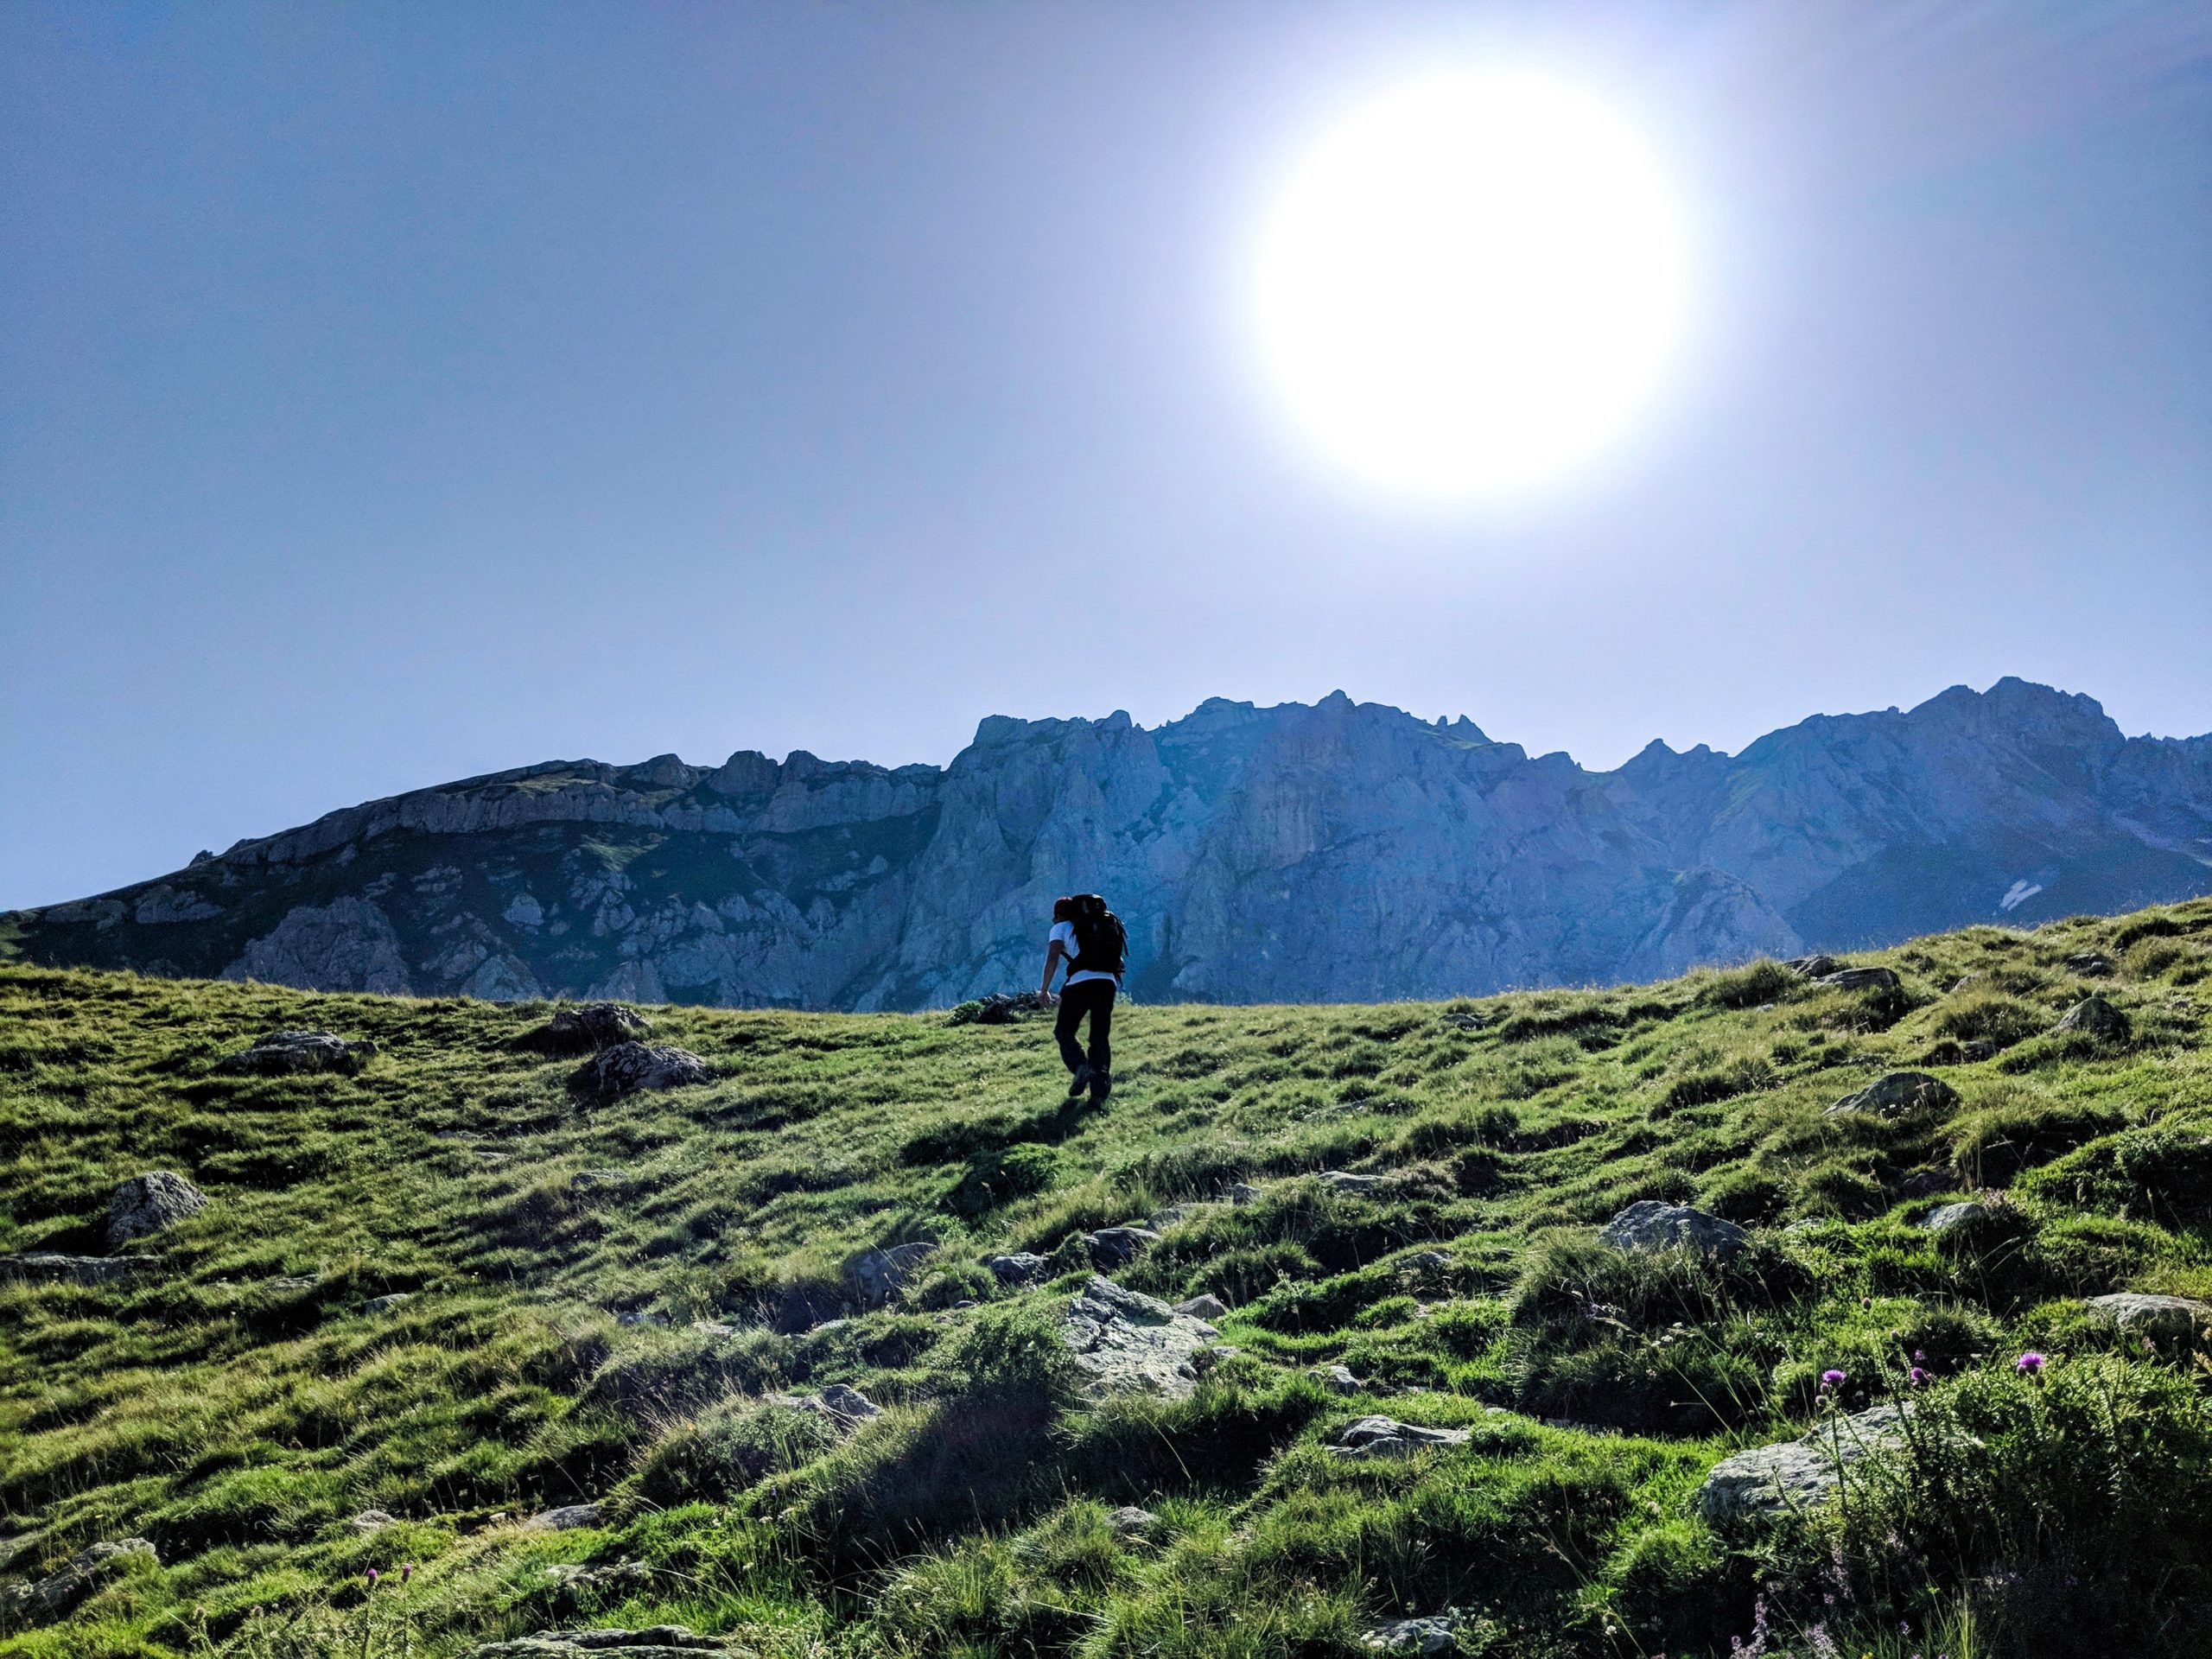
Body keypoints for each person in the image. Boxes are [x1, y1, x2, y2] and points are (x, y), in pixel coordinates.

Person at [1040, 893, 1125, 1101]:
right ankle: (1100, 1087)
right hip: (1107, 984)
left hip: (1080, 983)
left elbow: (1053, 957)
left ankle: (1080, 1067)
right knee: (1099, 1035)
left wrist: (1044, 990)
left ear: (1059, 915)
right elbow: (1120, 963)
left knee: (1064, 1030)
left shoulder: (1060, 928)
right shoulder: (1098, 927)